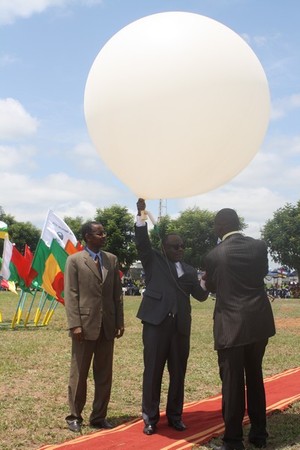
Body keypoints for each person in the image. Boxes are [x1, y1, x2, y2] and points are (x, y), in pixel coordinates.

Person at [203, 208, 276, 450]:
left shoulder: (214, 255)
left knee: (232, 385)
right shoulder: (258, 246)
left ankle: (233, 441)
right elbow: (262, 273)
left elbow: (211, 286)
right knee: (255, 377)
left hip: (231, 325)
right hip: (258, 322)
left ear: (220, 226)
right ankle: (259, 434)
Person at [135, 198, 208, 435]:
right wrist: (141, 217)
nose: (180, 249)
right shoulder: (153, 260)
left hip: (180, 328)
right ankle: (150, 418)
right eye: (175, 246)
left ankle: (175, 416)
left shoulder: (188, 270)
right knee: (153, 372)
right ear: (164, 248)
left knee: (178, 375)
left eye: (182, 246)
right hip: (156, 325)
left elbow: (200, 296)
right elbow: (142, 242)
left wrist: (207, 280)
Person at [64, 221, 124, 433]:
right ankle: (74, 416)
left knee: (104, 374)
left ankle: (99, 416)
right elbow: (71, 295)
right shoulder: (74, 261)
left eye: (104, 233)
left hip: (107, 326)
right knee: (79, 374)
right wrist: (75, 324)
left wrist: (119, 321)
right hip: (84, 326)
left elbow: (117, 293)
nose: (104, 236)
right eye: (99, 233)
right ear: (88, 236)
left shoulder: (111, 260)